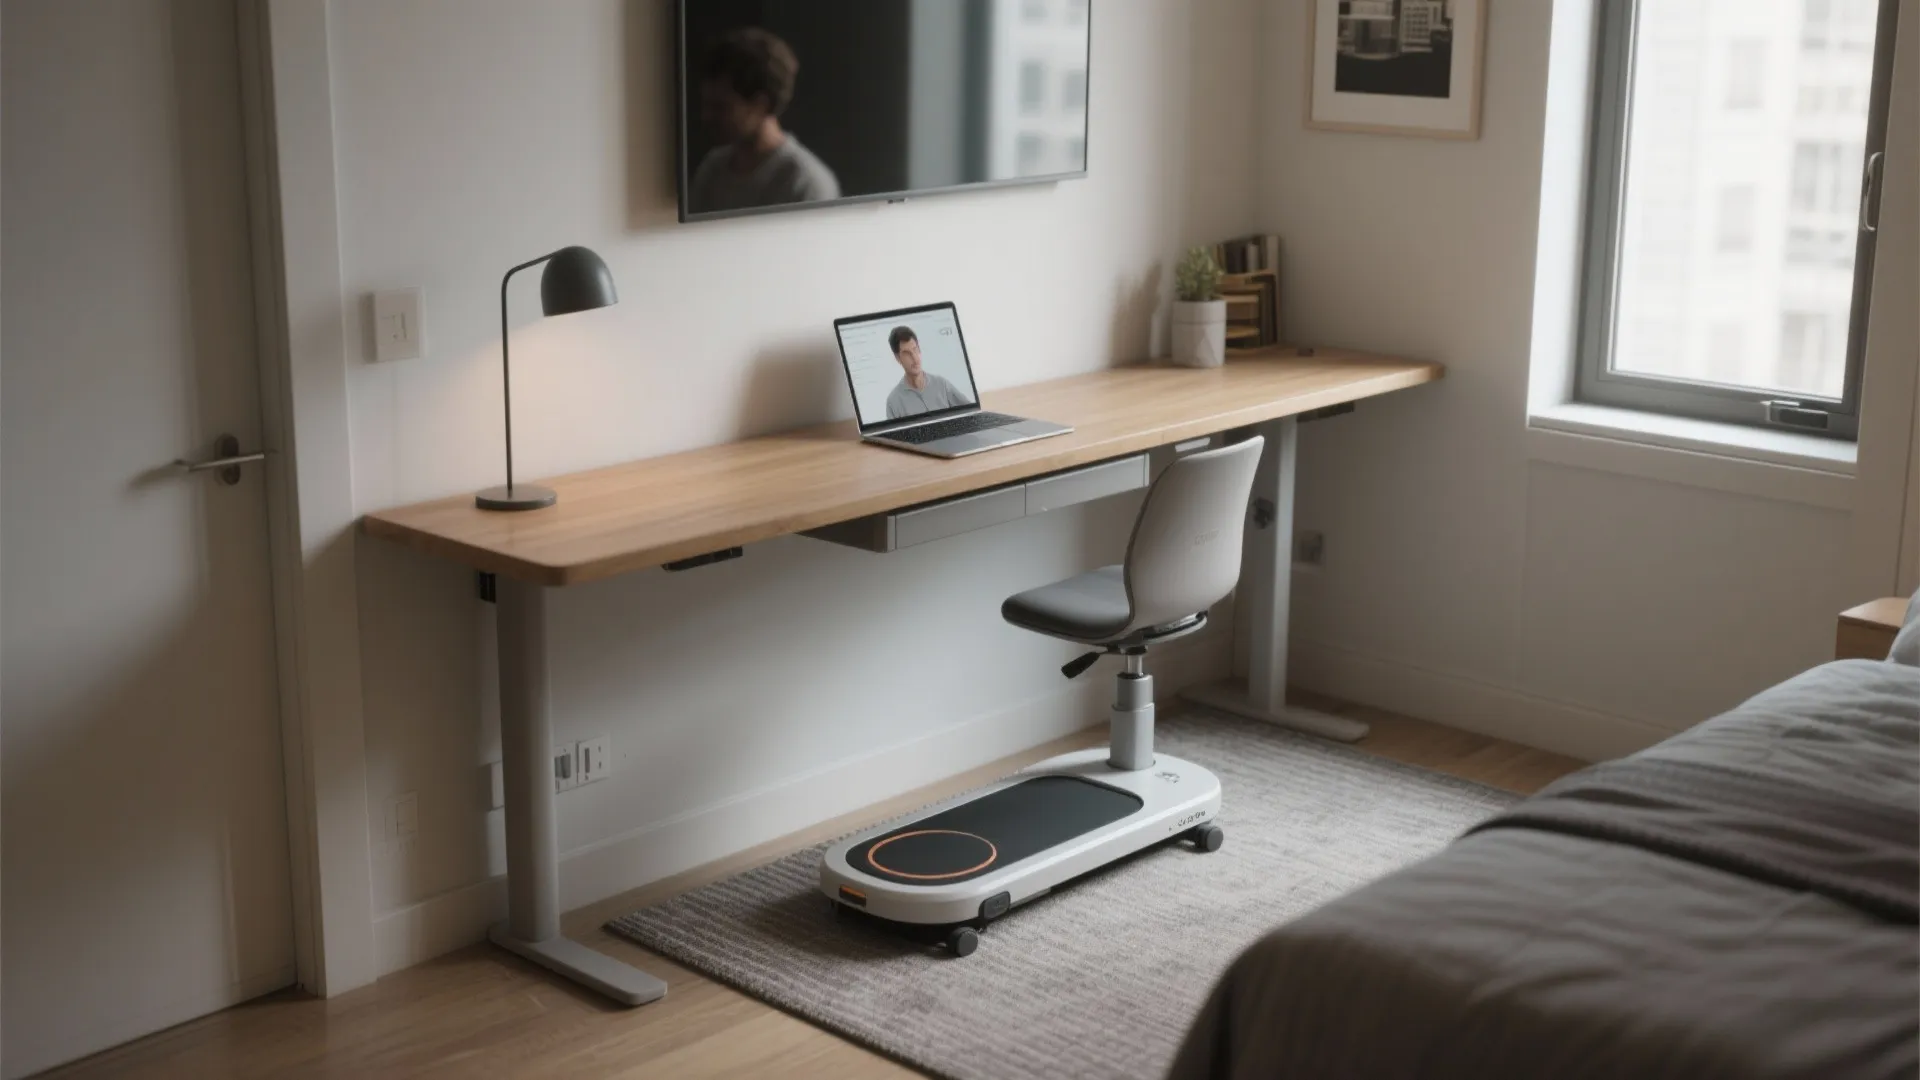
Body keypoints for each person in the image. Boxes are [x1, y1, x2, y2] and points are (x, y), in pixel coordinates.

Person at [689, 28, 840, 214]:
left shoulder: (805, 183)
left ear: (761, 105)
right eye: (706, 104)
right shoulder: (712, 169)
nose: (706, 116)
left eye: (721, 107)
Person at [884, 326, 971, 419]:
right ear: (898, 358)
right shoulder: (893, 401)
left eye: (915, 349)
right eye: (907, 353)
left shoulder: (941, 384)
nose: (915, 358)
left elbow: (971, 412)